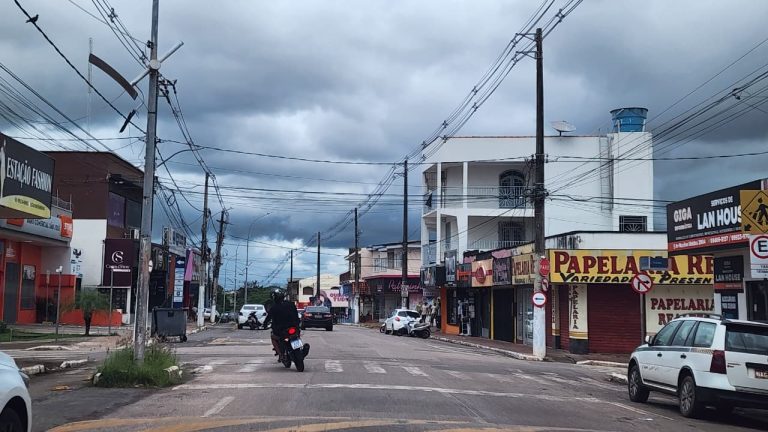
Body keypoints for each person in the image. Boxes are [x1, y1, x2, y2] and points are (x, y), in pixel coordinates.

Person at [264, 289, 309, 361]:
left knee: (273, 337)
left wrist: (265, 324)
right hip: (294, 327)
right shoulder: (291, 304)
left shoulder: (274, 307)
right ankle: (300, 351)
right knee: (297, 335)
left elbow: (268, 319)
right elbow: (296, 315)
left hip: (280, 330)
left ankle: (281, 355)